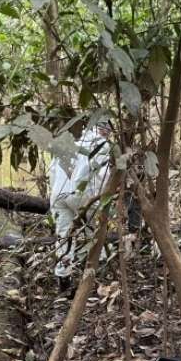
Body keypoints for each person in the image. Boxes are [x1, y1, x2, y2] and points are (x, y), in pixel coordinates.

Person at [49, 122, 112, 290]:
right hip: (81, 195)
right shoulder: (101, 144)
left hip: (59, 195)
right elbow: (102, 175)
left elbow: (53, 171)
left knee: (65, 237)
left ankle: (64, 279)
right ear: (104, 129)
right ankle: (99, 273)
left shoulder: (71, 138)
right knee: (95, 232)